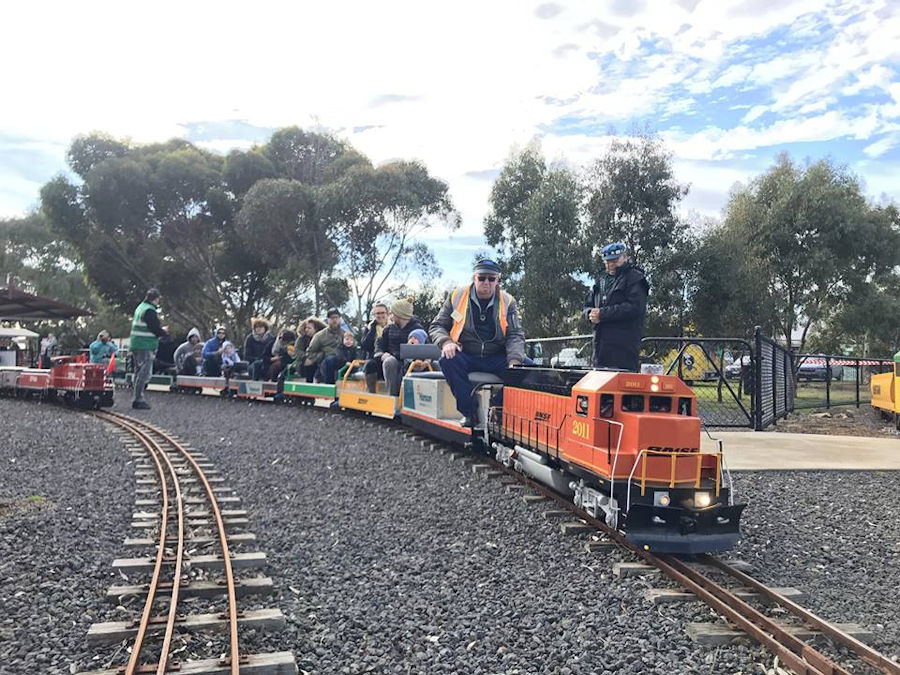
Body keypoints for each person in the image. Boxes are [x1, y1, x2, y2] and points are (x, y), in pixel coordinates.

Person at [430, 259, 525, 426]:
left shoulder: (508, 301)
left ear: (498, 280)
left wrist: (514, 361)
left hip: (496, 355)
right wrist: (446, 342)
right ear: (474, 278)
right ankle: (470, 412)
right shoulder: (457, 296)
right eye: (482, 278)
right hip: (467, 353)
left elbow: (515, 334)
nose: (486, 283)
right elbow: (437, 325)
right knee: (447, 360)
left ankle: (498, 408)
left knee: (526, 371)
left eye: (491, 278)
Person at [583, 242, 650, 372]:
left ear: (624, 257)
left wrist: (603, 314)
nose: (610, 265)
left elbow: (635, 307)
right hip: (600, 346)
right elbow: (587, 305)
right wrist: (589, 313)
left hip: (623, 346)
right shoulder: (600, 281)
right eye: (607, 261)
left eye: (614, 260)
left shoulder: (635, 278)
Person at [376, 297, 427, 397]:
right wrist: (381, 354)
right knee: (389, 362)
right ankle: (393, 397)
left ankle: (409, 397)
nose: (391, 316)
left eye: (392, 313)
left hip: (411, 361)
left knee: (412, 366)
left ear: (399, 314)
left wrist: (422, 360)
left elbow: (426, 349)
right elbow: (379, 345)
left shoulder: (418, 329)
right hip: (394, 360)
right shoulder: (389, 328)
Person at [129, 288, 169, 410]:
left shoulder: (140, 307)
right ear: (156, 299)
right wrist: (164, 333)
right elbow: (154, 328)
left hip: (136, 343)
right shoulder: (149, 311)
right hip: (145, 345)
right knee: (144, 372)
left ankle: (136, 397)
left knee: (138, 371)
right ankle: (138, 399)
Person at [304, 308, 344, 384]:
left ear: (339, 319)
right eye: (332, 318)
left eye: (336, 317)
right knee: (330, 360)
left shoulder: (345, 334)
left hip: (342, 361)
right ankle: (329, 387)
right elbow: (310, 353)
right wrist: (321, 355)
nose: (334, 320)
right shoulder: (320, 336)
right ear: (328, 320)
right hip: (326, 363)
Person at [361, 303, 390, 392]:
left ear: (387, 314)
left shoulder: (392, 327)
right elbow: (365, 345)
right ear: (374, 315)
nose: (380, 315)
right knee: (370, 364)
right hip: (374, 358)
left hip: (389, 356)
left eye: (382, 313)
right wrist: (373, 329)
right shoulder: (370, 327)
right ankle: (371, 392)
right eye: (377, 313)